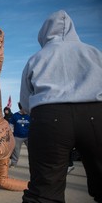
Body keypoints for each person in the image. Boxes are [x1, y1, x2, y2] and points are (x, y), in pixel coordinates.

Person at [20, 10, 102, 203]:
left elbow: (25, 100)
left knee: (44, 190)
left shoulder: (37, 58)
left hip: (50, 115)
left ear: (44, 33)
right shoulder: (94, 52)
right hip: (96, 113)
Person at [9, 102, 30, 168]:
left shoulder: (29, 115)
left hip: (28, 136)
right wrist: (11, 133)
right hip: (17, 136)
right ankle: (13, 164)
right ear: (20, 108)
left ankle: (33, 164)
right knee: (16, 151)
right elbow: (11, 125)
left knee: (32, 151)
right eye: (23, 109)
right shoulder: (15, 115)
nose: (25, 110)